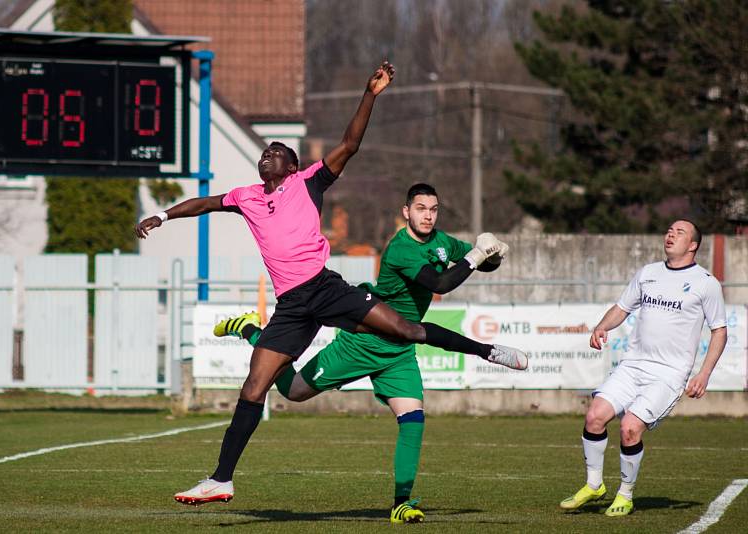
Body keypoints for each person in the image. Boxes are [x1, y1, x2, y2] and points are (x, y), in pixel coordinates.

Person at [135, 62, 527, 509]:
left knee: (408, 330)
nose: (269, 153)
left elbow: (350, 144)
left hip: (326, 288)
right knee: (255, 389)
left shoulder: (309, 182)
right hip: (292, 305)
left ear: (294, 164)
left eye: (278, 150)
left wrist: (370, 94)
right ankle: (221, 479)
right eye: (265, 150)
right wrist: (164, 215)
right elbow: (205, 202)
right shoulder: (246, 196)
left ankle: (488, 352)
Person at [213, 183, 521, 523]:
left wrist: (495, 255)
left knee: (413, 420)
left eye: (433, 209)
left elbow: (472, 262)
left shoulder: (441, 242)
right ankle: (251, 330)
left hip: (399, 351)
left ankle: (401, 503)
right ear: (406, 212)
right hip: (364, 341)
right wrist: (477, 255)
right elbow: (442, 285)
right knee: (293, 391)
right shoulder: (401, 248)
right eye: (420, 208)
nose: (428, 215)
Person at [559, 219, 727, 517]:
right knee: (595, 416)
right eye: (669, 230)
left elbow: (719, 331)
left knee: (629, 428)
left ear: (693, 245)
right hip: (632, 366)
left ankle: (625, 494)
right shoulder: (647, 273)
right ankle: (594, 485)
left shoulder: (706, 283)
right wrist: (601, 326)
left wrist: (704, 373)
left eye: (680, 232)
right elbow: (623, 307)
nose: (670, 235)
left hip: (668, 375)